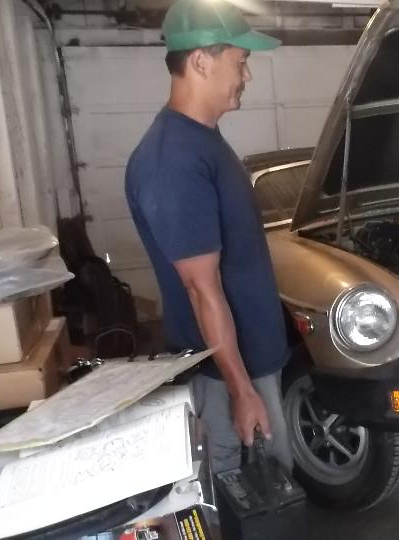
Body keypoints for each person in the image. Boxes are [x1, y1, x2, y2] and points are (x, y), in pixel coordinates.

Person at [125, 0, 291, 474]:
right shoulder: (172, 160)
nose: (247, 75)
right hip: (228, 375)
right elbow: (201, 288)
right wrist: (241, 391)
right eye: (241, 61)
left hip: (251, 359)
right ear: (201, 61)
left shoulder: (202, 140)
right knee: (241, 486)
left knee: (272, 484)